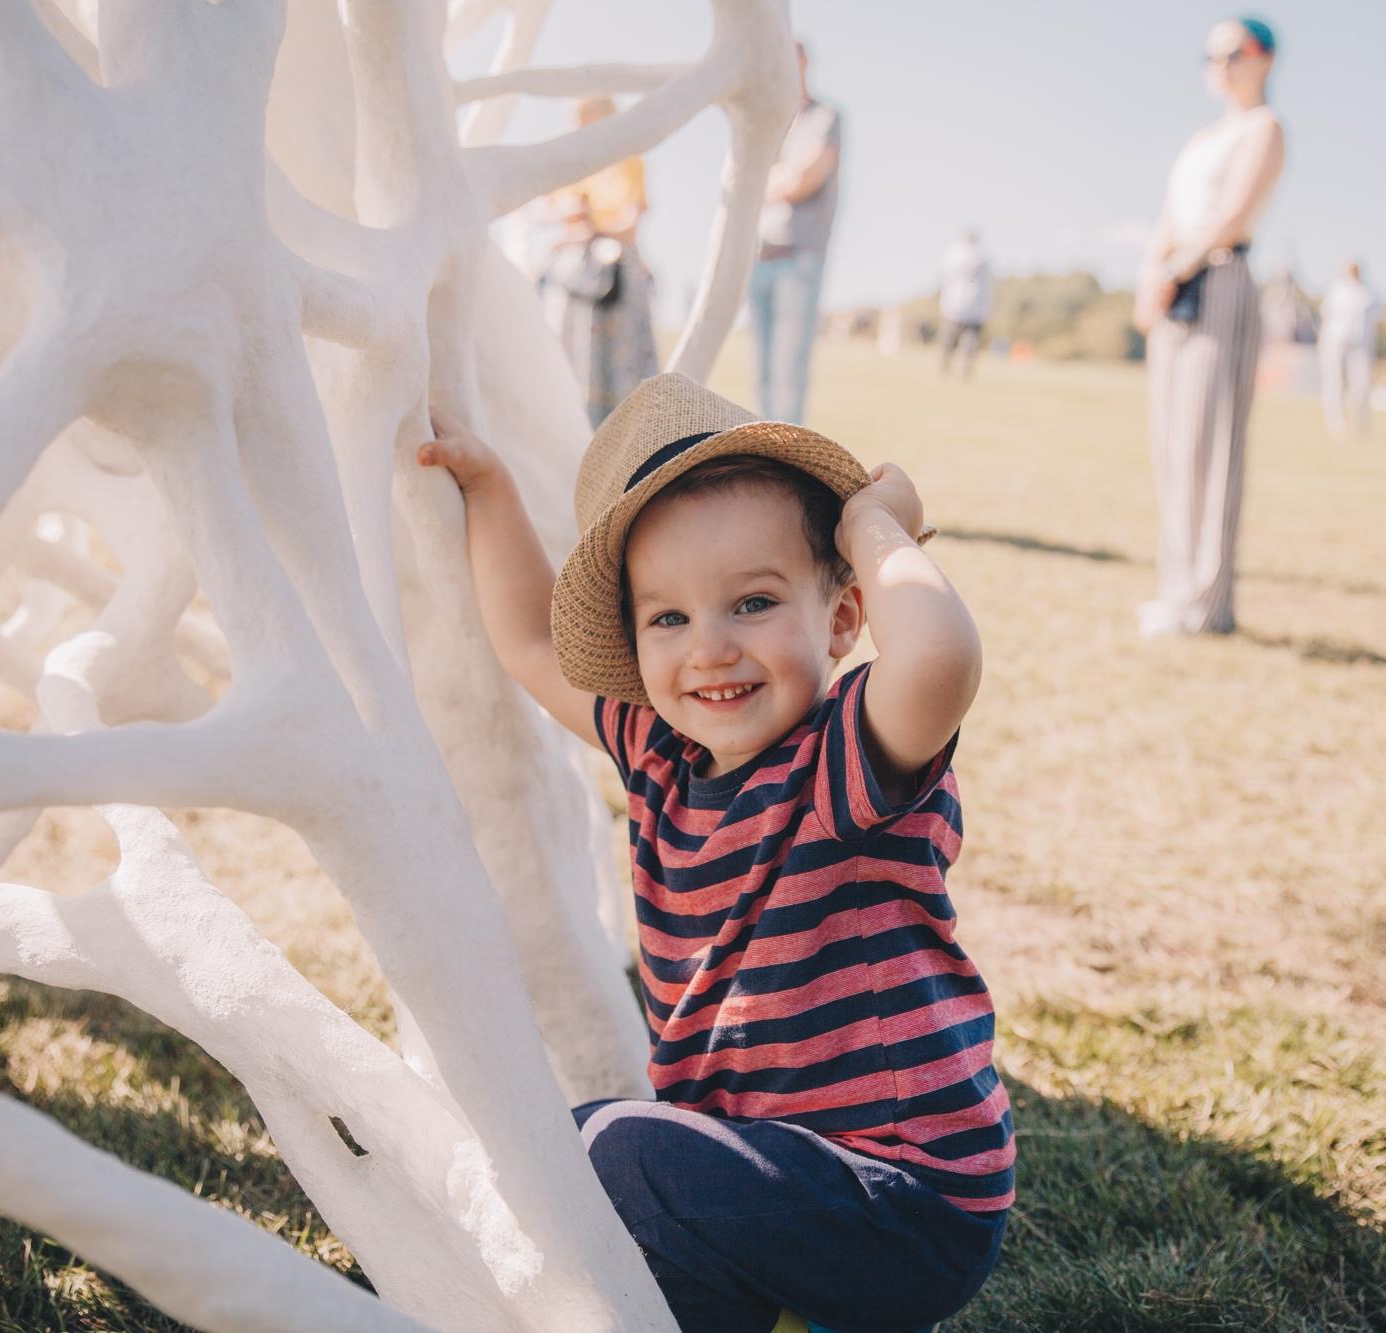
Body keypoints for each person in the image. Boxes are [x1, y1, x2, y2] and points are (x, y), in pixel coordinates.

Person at [416, 373, 1012, 1333]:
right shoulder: (658, 750)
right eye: (669, 618)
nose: (711, 650)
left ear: (844, 619)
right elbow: (531, 643)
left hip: (902, 1200)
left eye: (753, 602)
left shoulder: (846, 752)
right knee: (602, 1166)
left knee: (611, 1153)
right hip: (773, 1177)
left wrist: (874, 525)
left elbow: (939, 655)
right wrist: (488, 489)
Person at [1132, 17, 1285, 637]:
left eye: (1235, 52)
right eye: (1212, 54)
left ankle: (1207, 603)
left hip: (1219, 283)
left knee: (1211, 447)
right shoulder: (1199, 140)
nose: (1222, 64)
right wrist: (1153, 280)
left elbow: (1233, 214)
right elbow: (1169, 219)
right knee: (1173, 445)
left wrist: (1178, 269)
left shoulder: (1264, 129)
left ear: (1263, 58)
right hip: (1176, 291)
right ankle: (1177, 589)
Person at [539, 97, 661, 426]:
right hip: (573, 281)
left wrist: (589, 227)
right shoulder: (565, 167)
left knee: (621, 371)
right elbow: (544, 212)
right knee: (570, 367)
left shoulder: (628, 163)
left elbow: (629, 225)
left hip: (614, 279)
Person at [749, 41, 841, 425]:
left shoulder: (826, 118)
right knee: (763, 373)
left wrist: (766, 183)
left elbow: (804, 179)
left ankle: (787, 466)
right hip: (760, 257)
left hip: (798, 257)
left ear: (803, 62)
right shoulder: (768, 124)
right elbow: (744, 181)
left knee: (788, 373)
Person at [1318, 260, 1380, 438]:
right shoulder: (1336, 290)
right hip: (1335, 342)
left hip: (1361, 344)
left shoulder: (1369, 292)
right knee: (1335, 384)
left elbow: (1377, 319)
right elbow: (1326, 315)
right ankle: (1336, 425)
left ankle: (1362, 425)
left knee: (1362, 385)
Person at [938, 229, 993, 378]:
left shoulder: (953, 255)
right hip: (969, 306)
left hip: (957, 306)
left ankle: (947, 368)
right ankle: (960, 369)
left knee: (954, 340)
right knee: (963, 341)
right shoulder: (982, 257)